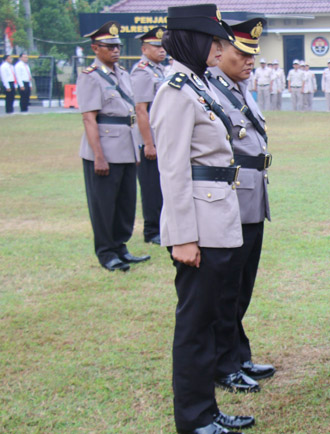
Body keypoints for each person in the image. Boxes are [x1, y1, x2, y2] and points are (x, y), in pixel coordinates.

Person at [150, 5, 256, 433]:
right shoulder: (175, 91)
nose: (220, 47)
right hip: (198, 227)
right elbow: (172, 171)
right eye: (213, 40)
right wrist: (182, 238)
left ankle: (208, 412)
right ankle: (194, 419)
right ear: (192, 40)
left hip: (218, 218)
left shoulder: (196, 85)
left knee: (210, 320)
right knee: (194, 328)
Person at [206, 15, 277, 395]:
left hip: (252, 197)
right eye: (242, 53)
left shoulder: (239, 90)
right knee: (227, 289)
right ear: (219, 53)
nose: (250, 61)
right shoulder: (212, 91)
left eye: (253, 55)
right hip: (230, 199)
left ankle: (239, 353)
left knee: (242, 286)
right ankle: (225, 364)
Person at [77, 21, 149, 272]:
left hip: (126, 149)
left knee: (125, 203)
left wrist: (136, 148)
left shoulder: (124, 74)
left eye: (117, 46)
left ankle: (120, 246)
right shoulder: (90, 77)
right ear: (96, 48)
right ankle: (106, 252)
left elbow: (130, 115)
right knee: (104, 204)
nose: (115, 51)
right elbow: (89, 118)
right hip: (105, 150)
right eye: (109, 47)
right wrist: (98, 156)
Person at [130, 26, 167, 246]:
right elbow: (141, 109)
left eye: (163, 46)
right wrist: (148, 143)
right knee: (151, 185)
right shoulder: (142, 71)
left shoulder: (159, 70)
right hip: (149, 139)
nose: (161, 50)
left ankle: (161, 225)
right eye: (156, 46)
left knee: (163, 183)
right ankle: (152, 230)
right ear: (144, 48)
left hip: (161, 137)